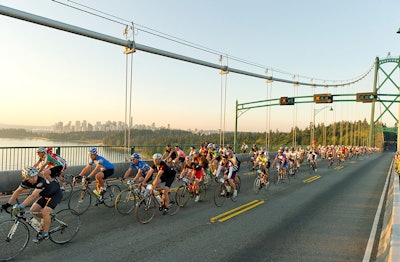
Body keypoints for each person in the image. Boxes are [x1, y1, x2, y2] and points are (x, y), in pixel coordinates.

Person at [1, 166, 62, 243]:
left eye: (35, 176)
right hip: (45, 195)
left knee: (45, 212)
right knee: (33, 210)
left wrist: (21, 206)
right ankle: (47, 219)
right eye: (31, 177)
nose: (34, 178)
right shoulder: (25, 182)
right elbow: (17, 191)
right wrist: (8, 204)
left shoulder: (40, 182)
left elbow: (32, 196)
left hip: (55, 194)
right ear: (26, 178)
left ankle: (45, 234)